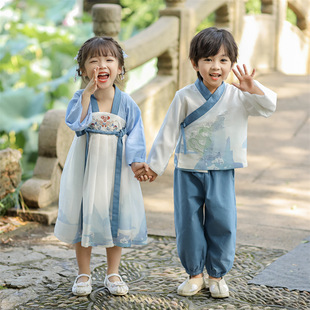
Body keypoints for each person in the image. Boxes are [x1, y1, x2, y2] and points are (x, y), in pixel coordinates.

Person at [134, 27, 277, 298]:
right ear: (194, 63)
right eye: (208, 59)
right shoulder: (184, 96)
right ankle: (194, 274)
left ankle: (217, 275)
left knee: (222, 221)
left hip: (222, 169)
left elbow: (269, 107)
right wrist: (155, 165)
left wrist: (253, 88)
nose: (216, 67)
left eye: (223, 60)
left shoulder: (239, 95)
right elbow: (168, 131)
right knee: (187, 222)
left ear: (232, 64)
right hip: (188, 169)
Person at [54, 36, 149, 297]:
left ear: (120, 68)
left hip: (115, 171)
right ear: (83, 70)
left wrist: (138, 161)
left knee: (114, 219)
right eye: (93, 61)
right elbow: (75, 123)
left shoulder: (127, 103)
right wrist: (87, 93)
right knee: (84, 216)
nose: (101, 65)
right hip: (85, 170)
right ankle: (83, 273)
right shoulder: (80, 98)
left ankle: (113, 273)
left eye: (109, 59)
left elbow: (136, 135)